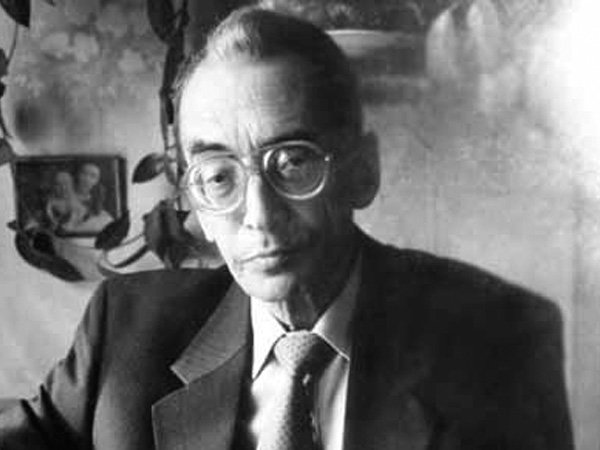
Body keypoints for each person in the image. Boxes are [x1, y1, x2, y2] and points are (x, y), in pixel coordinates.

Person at [0, 7, 573, 450]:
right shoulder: (126, 330)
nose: (260, 215)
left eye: (293, 162)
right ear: (195, 202)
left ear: (363, 172)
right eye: (218, 175)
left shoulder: (498, 340)